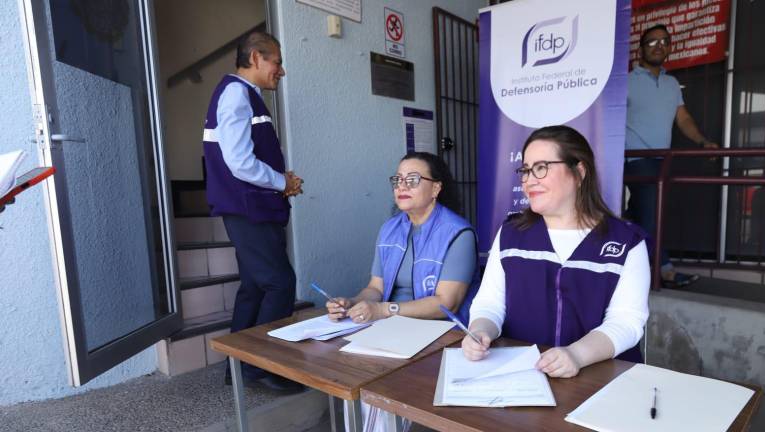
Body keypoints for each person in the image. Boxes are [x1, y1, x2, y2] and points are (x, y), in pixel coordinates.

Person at [463, 126, 650, 379]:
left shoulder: (626, 241)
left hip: (600, 379)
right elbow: (490, 303)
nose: (529, 180)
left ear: (579, 172)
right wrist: (480, 330)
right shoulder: (511, 234)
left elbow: (627, 321)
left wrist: (576, 355)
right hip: (523, 376)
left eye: (541, 168)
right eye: (526, 170)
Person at [327, 152, 480, 432]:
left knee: (378, 386)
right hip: (392, 328)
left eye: (412, 179)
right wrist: (352, 302)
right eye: (397, 180)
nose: (401, 186)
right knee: (349, 375)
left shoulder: (458, 233)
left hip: (439, 332)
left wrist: (385, 310)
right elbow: (376, 289)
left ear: (436, 188)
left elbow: (447, 304)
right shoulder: (390, 229)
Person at [203, 30, 303, 393]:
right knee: (280, 282)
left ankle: (239, 367)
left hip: (251, 207)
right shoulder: (235, 94)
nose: (281, 70)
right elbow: (240, 162)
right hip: (248, 209)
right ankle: (261, 366)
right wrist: (282, 182)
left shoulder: (245, 95)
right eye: (276, 61)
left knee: (254, 287)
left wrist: (282, 183)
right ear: (257, 58)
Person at [625, 23, 718, 288]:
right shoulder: (627, 82)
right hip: (636, 159)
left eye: (664, 41)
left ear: (669, 48)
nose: (659, 46)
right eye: (652, 42)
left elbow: (683, 118)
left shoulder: (672, 83)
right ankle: (664, 269)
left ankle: (621, 259)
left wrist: (703, 141)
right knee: (652, 216)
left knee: (640, 215)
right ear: (641, 49)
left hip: (662, 162)